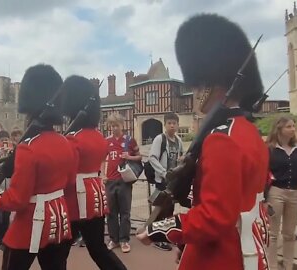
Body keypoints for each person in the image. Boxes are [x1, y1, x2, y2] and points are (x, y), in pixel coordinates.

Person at [136, 14, 270, 270]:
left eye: (198, 84)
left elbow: (215, 216)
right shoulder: (248, 131)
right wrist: (188, 242)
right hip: (245, 249)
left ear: (208, 84)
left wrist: (159, 229)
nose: (196, 91)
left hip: (220, 256)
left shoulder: (221, 139)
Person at [0, 64, 75, 270]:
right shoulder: (66, 143)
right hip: (59, 221)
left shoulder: (27, 149)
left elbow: (17, 199)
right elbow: (69, 183)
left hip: (32, 224)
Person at [60, 75, 127, 270]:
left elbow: (66, 174)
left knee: (57, 254)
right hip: (95, 197)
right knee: (98, 249)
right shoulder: (98, 137)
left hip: (74, 198)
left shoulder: (72, 139)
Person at [266, 116, 297, 270]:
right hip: (276, 192)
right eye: (289, 126)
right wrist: (264, 198)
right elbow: (263, 174)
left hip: (294, 193)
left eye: (294, 126)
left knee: (289, 233)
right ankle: (272, 266)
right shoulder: (270, 149)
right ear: (279, 129)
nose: (293, 129)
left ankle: (288, 265)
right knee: (273, 234)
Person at [104, 113, 142, 253]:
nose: (114, 128)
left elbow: (139, 157)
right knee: (111, 212)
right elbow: (102, 159)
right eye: (112, 126)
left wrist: (129, 156)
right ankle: (114, 239)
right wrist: (103, 175)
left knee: (125, 212)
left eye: (117, 125)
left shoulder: (129, 140)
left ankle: (124, 240)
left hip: (125, 181)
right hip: (110, 180)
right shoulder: (107, 141)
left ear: (122, 125)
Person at [148, 112, 184, 251]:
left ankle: (166, 235)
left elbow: (181, 157)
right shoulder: (160, 139)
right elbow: (152, 157)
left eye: (174, 123)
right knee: (160, 209)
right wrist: (163, 173)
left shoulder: (179, 140)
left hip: (174, 181)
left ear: (177, 125)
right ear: (165, 124)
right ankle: (156, 238)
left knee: (169, 209)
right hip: (162, 180)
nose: (172, 126)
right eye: (169, 123)